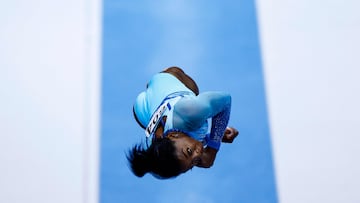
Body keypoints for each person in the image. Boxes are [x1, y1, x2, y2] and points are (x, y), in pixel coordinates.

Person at [127, 66, 239, 179]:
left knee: (193, 89)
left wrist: (213, 148)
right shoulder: (161, 163)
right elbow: (184, 149)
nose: (198, 155)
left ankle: (167, 74)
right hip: (141, 110)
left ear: (172, 135)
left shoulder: (191, 112)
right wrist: (213, 136)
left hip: (165, 80)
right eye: (192, 164)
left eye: (189, 151)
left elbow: (225, 101)